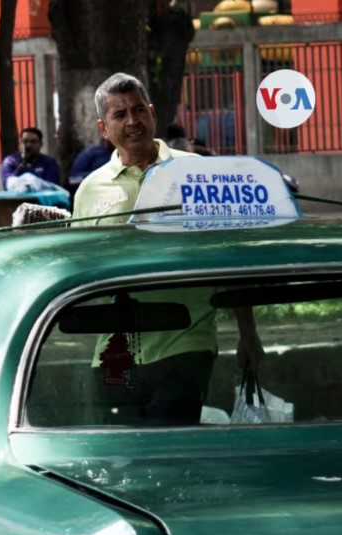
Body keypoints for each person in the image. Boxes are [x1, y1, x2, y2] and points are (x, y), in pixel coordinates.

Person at [73, 72, 261, 425]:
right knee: (120, 463)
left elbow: (233, 258)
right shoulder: (90, 190)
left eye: (138, 110)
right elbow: (78, 270)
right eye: (120, 115)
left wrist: (248, 334)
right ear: (103, 128)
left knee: (164, 449)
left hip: (186, 345)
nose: (132, 121)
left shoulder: (200, 174)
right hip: (115, 357)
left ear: (153, 113)